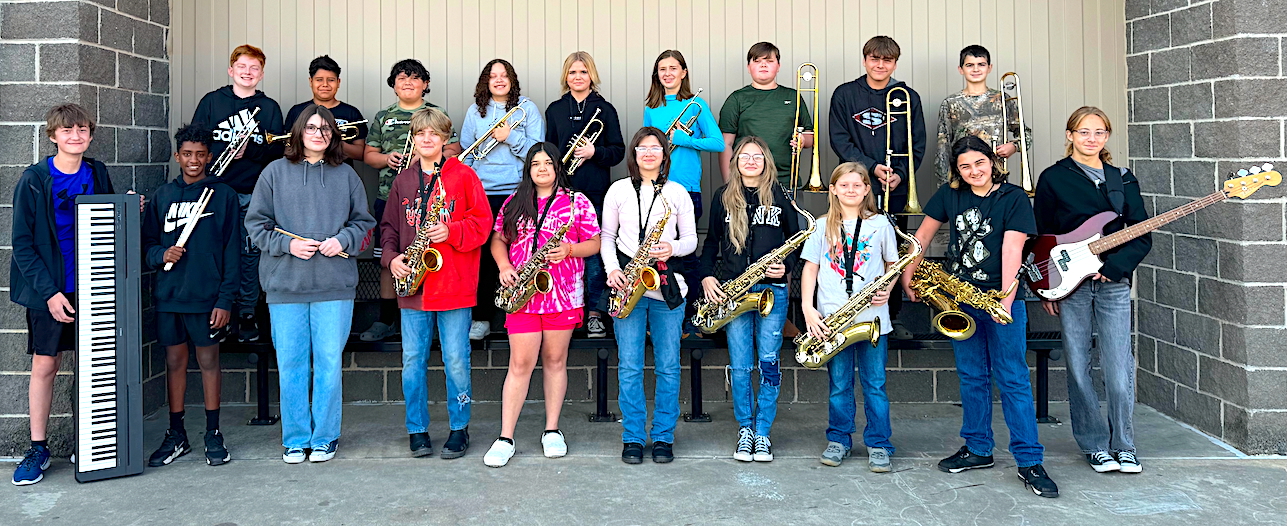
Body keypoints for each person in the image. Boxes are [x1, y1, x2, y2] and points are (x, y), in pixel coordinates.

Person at [900, 136, 1059, 498]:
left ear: (992, 162)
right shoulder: (950, 194)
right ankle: (978, 448)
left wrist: (1004, 302)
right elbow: (921, 237)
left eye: (980, 163)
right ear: (957, 170)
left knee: (1013, 379)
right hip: (959, 300)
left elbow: (1012, 249)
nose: (974, 171)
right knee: (972, 377)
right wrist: (908, 274)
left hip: (1001, 299)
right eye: (965, 166)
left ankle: (1029, 461)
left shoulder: (1014, 197)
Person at [245, 105, 376, 464]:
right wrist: (287, 245)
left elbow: (364, 223)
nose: (319, 134)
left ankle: (325, 437)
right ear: (299, 132)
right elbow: (256, 225)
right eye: (312, 128)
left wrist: (343, 240)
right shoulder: (274, 173)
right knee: (291, 365)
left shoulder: (346, 176)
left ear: (333, 135)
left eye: (326, 129)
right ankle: (295, 438)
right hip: (285, 287)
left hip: (334, 286)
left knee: (329, 365)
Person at [1034, 107, 1150, 475]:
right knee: (1078, 366)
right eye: (1084, 132)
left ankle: (1124, 445)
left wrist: (1114, 268)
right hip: (1071, 286)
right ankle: (1095, 445)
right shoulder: (1053, 178)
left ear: (1107, 137)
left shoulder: (1123, 179)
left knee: (1118, 368)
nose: (1091, 139)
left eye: (1099, 132)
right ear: (1070, 135)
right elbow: (1041, 237)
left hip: (1113, 284)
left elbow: (1141, 234)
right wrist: (1045, 288)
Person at [10, 104, 117, 486]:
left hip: (94, 286)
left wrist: (128, 207)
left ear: (90, 134)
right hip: (51, 290)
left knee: (95, 365)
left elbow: (110, 224)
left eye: (82, 129)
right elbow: (22, 245)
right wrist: (51, 293)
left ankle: (90, 442)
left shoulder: (97, 173)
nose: (76, 136)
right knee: (46, 365)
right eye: (68, 130)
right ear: (53, 135)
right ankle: (38, 448)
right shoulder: (35, 179)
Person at [482, 143, 601, 467]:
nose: (542, 168)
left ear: (558, 167)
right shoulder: (514, 201)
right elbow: (498, 238)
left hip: (562, 295)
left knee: (555, 361)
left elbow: (595, 242)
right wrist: (504, 266)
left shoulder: (577, 202)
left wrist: (570, 250)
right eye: (536, 164)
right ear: (528, 170)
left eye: (548, 162)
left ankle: (552, 430)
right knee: (520, 364)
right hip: (522, 295)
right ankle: (505, 437)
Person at [383, 107, 492, 460]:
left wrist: (452, 230)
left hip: (454, 286)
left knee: (456, 360)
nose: (427, 139)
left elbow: (483, 224)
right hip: (414, 286)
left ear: (445, 138)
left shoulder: (464, 175)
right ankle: (417, 429)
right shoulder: (403, 181)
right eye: (420, 133)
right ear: (413, 138)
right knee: (412, 360)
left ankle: (459, 428)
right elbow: (388, 228)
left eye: (434, 133)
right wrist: (391, 258)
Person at [142, 123, 241, 468]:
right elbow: (146, 245)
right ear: (177, 156)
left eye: (200, 154)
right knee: (174, 362)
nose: (194, 160)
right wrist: (161, 254)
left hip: (207, 297)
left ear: (209, 156)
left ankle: (213, 433)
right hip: (170, 295)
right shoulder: (162, 196)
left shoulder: (223, 195)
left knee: (209, 362)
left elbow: (232, 252)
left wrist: (225, 299)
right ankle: (177, 434)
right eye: (187, 154)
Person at [697, 137, 799, 463]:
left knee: (769, 361)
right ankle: (746, 429)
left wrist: (787, 266)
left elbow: (796, 241)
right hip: (734, 291)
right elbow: (711, 242)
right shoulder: (722, 197)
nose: (751, 161)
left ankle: (763, 432)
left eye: (757, 156)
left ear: (766, 161)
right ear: (735, 161)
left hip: (772, 291)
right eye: (744, 156)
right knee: (741, 365)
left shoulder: (781, 196)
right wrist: (707, 275)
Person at [601, 127, 698, 464]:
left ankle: (663, 437)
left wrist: (672, 247)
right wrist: (613, 270)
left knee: (668, 367)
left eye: (655, 147)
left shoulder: (677, 192)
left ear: (664, 154)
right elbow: (607, 237)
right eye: (642, 147)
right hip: (628, 285)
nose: (648, 153)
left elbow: (691, 240)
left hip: (666, 287)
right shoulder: (618, 190)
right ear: (634, 154)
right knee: (629, 367)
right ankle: (632, 436)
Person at [799, 162, 900, 472]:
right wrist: (807, 309)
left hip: (873, 318)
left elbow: (893, 264)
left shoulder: (880, 224)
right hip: (833, 319)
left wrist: (887, 289)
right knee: (839, 385)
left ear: (867, 189)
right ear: (832, 189)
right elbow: (810, 268)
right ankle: (839, 439)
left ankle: (879, 443)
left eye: (857, 185)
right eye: (844, 185)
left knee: (875, 385)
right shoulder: (821, 225)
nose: (851, 190)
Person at [829, 35, 924, 340]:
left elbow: (917, 143)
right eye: (874, 59)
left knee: (890, 252)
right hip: (854, 186)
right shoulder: (845, 94)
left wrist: (900, 175)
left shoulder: (907, 96)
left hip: (894, 187)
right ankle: (843, 312)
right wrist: (871, 167)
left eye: (887, 60)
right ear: (864, 60)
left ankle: (891, 317)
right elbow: (839, 139)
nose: (880, 65)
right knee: (852, 249)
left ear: (895, 63)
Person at [361, 58, 462, 343]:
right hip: (389, 196)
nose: (408, 82)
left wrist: (427, 155)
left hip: (433, 198)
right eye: (402, 78)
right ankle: (386, 318)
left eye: (415, 77)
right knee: (388, 255)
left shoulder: (437, 113)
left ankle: (429, 313)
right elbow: (368, 155)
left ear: (425, 84)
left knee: (431, 253)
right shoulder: (384, 116)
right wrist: (386, 159)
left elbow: (455, 149)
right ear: (393, 85)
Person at [190, 44, 286, 343]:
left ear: (262, 74)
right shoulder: (212, 102)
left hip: (252, 192)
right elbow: (195, 141)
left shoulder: (268, 108)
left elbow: (278, 151)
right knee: (213, 250)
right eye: (242, 67)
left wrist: (250, 150)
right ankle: (217, 311)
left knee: (249, 253)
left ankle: (246, 312)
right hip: (215, 190)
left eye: (254, 68)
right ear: (231, 70)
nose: (248, 72)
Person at [460, 58, 546, 341]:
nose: (499, 80)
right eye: (493, 76)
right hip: (483, 194)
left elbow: (538, 153)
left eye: (504, 75)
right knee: (484, 257)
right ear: (486, 81)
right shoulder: (475, 111)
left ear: (512, 80)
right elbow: (467, 152)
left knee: (521, 254)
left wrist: (510, 137)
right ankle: (482, 317)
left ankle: (520, 312)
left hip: (518, 192)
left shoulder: (526, 108)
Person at [544, 51, 625, 338]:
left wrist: (594, 152)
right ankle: (568, 310)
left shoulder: (606, 110)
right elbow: (549, 151)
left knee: (594, 257)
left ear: (592, 75)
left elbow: (618, 151)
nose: (578, 77)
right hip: (562, 193)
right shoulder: (555, 109)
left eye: (583, 72)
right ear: (565, 76)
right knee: (563, 252)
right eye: (572, 72)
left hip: (595, 192)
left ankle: (595, 314)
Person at [642, 50, 724, 335]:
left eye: (673, 68)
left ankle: (691, 317)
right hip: (657, 187)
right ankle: (663, 316)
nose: (668, 74)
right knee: (658, 253)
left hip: (687, 189)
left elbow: (717, 143)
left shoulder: (696, 104)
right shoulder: (652, 108)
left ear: (683, 72)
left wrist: (684, 139)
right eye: (662, 69)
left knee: (686, 255)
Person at [718, 42, 813, 186]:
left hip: (787, 181)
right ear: (748, 67)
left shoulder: (794, 96)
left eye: (769, 61)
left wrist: (802, 140)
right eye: (757, 61)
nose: (763, 65)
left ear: (778, 66)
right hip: (747, 181)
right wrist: (729, 183)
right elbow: (726, 144)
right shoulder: (737, 99)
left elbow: (810, 138)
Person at [935, 45, 1032, 186]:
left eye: (981, 64)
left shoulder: (1003, 100)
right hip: (962, 178)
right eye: (969, 65)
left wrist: (1014, 146)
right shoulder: (950, 103)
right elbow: (943, 148)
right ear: (961, 69)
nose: (976, 69)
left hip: (996, 176)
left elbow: (1025, 134)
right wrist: (945, 185)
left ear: (989, 68)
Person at [285, 55, 368, 163]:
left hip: (339, 170)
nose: (325, 84)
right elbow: (288, 148)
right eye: (319, 80)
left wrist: (334, 140)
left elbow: (361, 154)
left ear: (338, 82)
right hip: (303, 170)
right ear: (311, 81)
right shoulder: (296, 111)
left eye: (331, 80)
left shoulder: (351, 113)